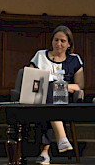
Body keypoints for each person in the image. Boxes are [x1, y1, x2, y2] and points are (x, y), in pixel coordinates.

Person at [29, 25, 84, 164]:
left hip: (64, 100)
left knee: (52, 88)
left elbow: (79, 86)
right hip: (39, 98)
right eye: (56, 40)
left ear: (69, 44)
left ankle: (45, 152)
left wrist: (59, 86)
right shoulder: (40, 56)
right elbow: (30, 79)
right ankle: (61, 138)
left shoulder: (74, 60)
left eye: (63, 41)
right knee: (47, 93)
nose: (58, 44)